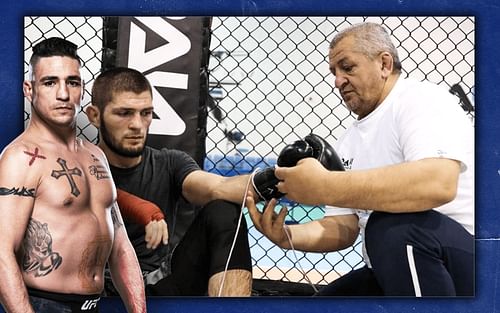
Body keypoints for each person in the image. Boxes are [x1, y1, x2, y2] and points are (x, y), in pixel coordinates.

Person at [246, 22, 474, 297]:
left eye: (347, 67)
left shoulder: (420, 100)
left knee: (392, 226)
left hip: (467, 261)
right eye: (334, 72)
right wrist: (287, 236)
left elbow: (437, 184)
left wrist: (325, 185)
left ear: (384, 64)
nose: (338, 80)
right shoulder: (348, 141)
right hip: (395, 265)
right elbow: (343, 226)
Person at [0, 38, 146, 313]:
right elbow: (1, 252)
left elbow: (121, 245)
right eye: (50, 82)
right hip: (44, 304)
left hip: (92, 305)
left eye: (73, 82)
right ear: (29, 89)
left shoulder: (95, 155)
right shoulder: (21, 157)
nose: (64, 94)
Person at [85, 67, 256, 296]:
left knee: (224, 209)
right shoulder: (75, 166)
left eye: (145, 113)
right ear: (95, 116)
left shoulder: (169, 162)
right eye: (124, 113)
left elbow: (216, 187)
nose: (137, 124)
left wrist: (275, 181)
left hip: (159, 283)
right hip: (96, 289)